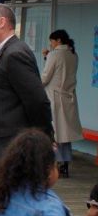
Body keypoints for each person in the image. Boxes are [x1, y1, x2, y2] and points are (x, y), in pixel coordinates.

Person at [0, 4, 52, 214]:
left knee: (5, 212)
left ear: (2, 22)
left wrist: (45, 141)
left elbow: (37, 101)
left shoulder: (15, 54)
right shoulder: (2, 52)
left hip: (6, 150)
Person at [41, 29, 83, 178]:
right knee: (65, 134)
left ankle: (55, 163)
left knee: (54, 132)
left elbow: (46, 77)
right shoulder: (73, 55)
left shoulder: (55, 54)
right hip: (69, 97)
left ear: (58, 40)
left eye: (52, 41)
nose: (51, 44)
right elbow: (62, 70)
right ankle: (65, 163)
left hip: (54, 97)